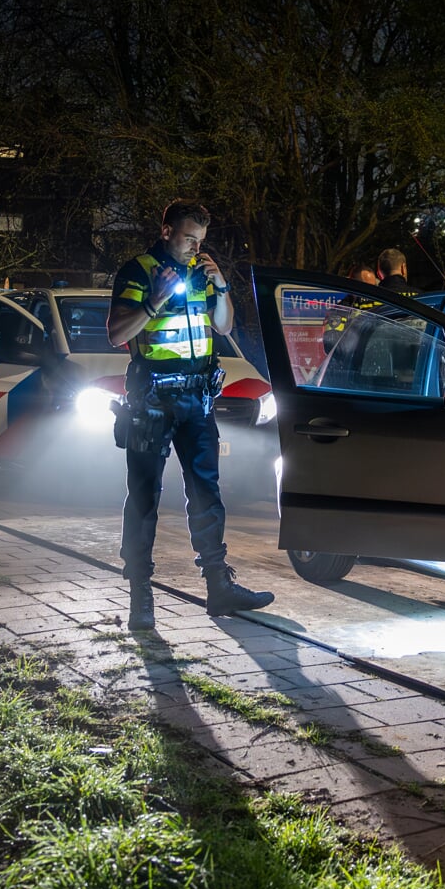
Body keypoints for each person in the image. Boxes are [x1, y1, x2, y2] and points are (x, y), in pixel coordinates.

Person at [106, 199, 273, 630]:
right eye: (187, 238)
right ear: (166, 232)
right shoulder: (139, 270)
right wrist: (154, 302)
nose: (194, 248)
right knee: (144, 498)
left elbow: (225, 327)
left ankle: (219, 586)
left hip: (198, 399)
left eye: (200, 240)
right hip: (152, 402)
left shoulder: (201, 273)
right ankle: (140, 595)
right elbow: (116, 334)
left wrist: (221, 287)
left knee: (207, 494)